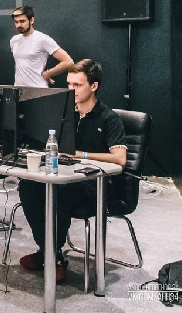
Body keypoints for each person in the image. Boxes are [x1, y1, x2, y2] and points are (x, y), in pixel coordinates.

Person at [18, 59, 127, 283]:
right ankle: (50, 251)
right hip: (67, 175)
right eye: (69, 84)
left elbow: (120, 158)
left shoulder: (109, 118)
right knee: (28, 186)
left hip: (97, 183)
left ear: (94, 86)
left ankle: (50, 254)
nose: (71, 89)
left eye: (77, 85)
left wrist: (81, 155)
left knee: (60, 193)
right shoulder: (65, 114)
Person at [10, 6, 73, 88]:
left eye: (22, 21)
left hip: (38, 89)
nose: (19, 25)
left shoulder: (42, 39)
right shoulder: (14, 40)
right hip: (18, 89)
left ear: (31, 20)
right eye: (16, 22)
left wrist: (48, 73)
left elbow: (68, 62)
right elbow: (19, 63)